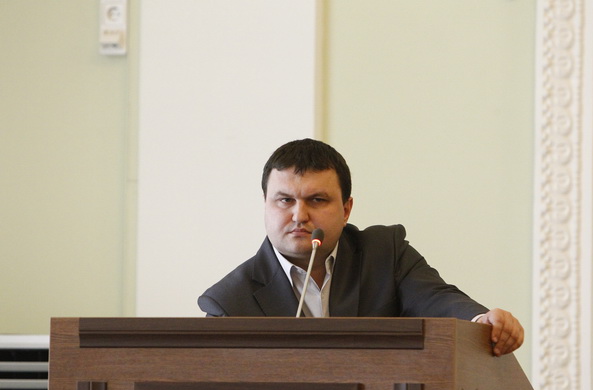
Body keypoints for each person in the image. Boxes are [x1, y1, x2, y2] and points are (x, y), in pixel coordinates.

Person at [198, 138, 524, 356]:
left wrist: (481, 322)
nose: (299, 215)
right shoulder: (230, 302)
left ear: (346, 209)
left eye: (317, 200)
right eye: (284, 200)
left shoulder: (385, 254)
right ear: (266, 205)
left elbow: (438, 299)